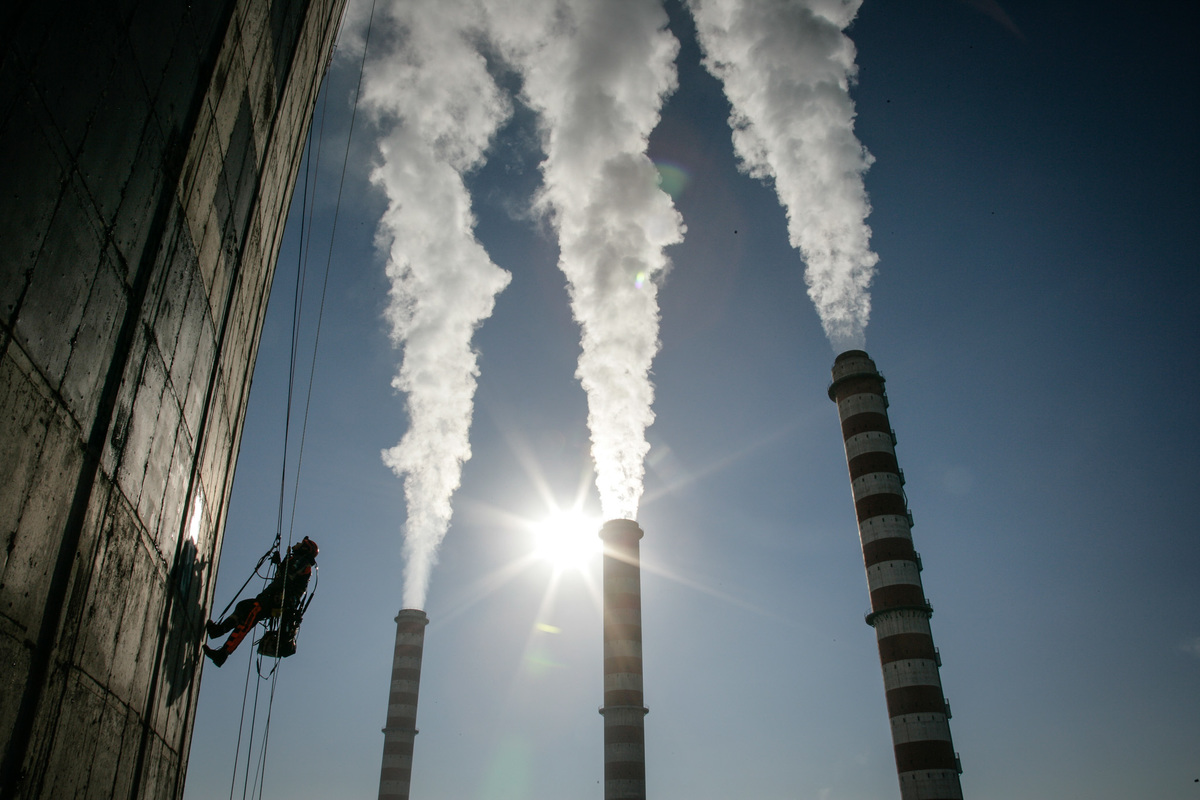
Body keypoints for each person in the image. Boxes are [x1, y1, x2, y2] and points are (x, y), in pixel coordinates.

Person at [203, 537, 318, 667]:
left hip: (278, 602)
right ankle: (218, 631)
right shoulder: (297, 561)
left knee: (249, 617)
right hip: (274, 599)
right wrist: (280, 563)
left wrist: (267, 590)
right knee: (243, 607)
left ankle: (223, 653)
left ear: (304, 548)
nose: (296, 544)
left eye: (300, 544)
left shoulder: (303, 562)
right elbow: (286, 576)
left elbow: (286, 579)